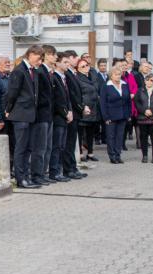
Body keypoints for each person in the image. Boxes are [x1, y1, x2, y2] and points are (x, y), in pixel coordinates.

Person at [5, 45, 43, 189]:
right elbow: (12, 92)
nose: (39, 62)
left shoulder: (33, 71)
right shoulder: (19, 71)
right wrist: (8, 109)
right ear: (31, 54)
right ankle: (21, 178)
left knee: (28, 147)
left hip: (30, 114)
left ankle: (26, 176)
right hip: (20, 114)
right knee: (21, 147)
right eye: (38, 59)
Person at [30, 45, 56, 186]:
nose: (55, 57)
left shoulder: (46, 71)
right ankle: (37, 174)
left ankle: (42, 173)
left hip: (48, 114)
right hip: (41, 115)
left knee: (47, 147)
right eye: (53, 54)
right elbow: (39, 95)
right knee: (40, 148)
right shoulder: (40, 71)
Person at [49, 52, 72, 182]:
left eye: (69, 62)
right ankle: (54, 171)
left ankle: (59, 170)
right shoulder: (55, 77)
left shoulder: (63, 77)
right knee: (56, 145)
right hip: (58, 116)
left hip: (64, 115)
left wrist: (70, 111)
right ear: (57, 63)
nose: (68, 65)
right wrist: (65, 112)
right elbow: (57, 99)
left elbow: (66, 98)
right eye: (65, 62)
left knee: (62, 145)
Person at [63, 50, 87, 179]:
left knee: (72, 142)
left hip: (76, 112)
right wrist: (80, 107)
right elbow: (71, 95)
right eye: (75, 58)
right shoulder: (67, 74)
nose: (77, 60)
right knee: (69, 142)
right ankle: (68, 169)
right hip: (72, 112)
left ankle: (72, 167)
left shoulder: (73, 73)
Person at [100, 68, 131, 164]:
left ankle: (118, 155)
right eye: (116, 74)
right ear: (111, 75)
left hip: (123, 114)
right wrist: (106, 117)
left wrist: (128, 114)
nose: (118, 76)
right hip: (111, 115)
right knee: (111, 136)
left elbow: (128, 101)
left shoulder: (124, 84)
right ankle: (112, 156)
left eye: (119, 74)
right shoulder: (106, 86)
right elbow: (103, 103)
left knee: (120, 136)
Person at [134, 74, 153, 163]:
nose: (149, 82)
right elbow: (137, 102)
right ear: (144, 81)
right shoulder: (140, 90)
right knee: (143, 137)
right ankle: (145, 156)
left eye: (151, 80)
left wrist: (152, 111)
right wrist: (144, 111)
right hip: (142, 117)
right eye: (147, 80)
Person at [76, 57, 100, 162]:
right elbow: (78, 94)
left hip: (94, 108)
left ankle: (90, 153)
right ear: (78, 68)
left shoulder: (92, 75)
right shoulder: (77, 78)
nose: (86, 68)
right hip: (85, 108)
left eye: (87, 65)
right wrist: (83, 106)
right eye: (83, 66)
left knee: (91, 132)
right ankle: (81, 154)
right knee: (81, 133)